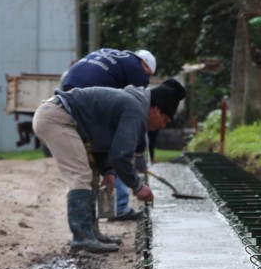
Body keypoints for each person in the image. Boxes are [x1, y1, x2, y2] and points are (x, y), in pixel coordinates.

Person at [32, 79, 186, 254]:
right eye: (165, 119)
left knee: (89, 176)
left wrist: (108, 171)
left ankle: (91, 234)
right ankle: (82, 239)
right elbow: (120, 156)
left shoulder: (132, 104)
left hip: (59, 116)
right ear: (156, 109)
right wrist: (137, 186)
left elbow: (102, 142)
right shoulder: (135, 110)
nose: (162, 125)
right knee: (80, 176)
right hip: (56, 118)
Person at [61, 48, 157, 222]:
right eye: (148, 73)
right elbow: (138, 114)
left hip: (69, 85)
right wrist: (138, 150)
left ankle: (97, 219)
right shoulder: (138, 71)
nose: (147, 79)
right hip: (90, 93)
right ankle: (119, 208)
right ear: (144, 64)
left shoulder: (119, 57)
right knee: (118, 151)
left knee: (97, 159)